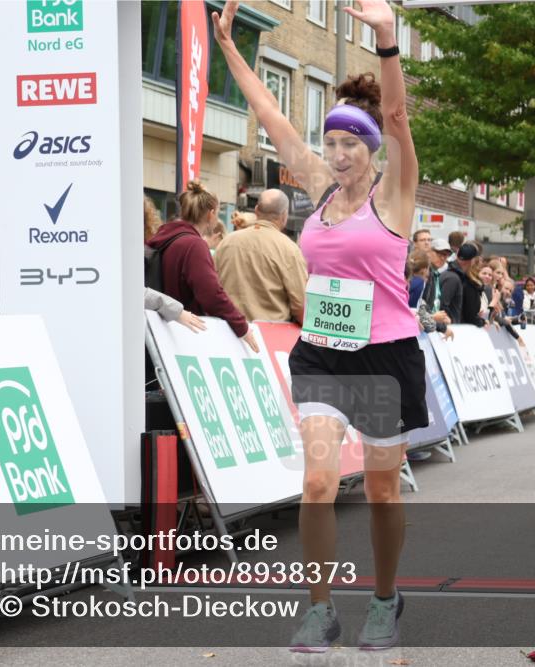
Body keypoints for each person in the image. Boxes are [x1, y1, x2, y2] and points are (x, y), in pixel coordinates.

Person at [214, 0, 422, 651]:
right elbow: (272, 119)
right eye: (328, 142)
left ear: (370, 149)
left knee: (384, 489)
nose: (335, 153)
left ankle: (386, 600)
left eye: (347, 144)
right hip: (323, 356)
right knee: (316, 480)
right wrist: (230, 51)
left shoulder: (396, 194)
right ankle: (320, 607)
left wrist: (387, 39)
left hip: (386, 356)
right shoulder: (322, 192)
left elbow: (395, 115)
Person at [146, 180, 258, 352]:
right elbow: (211, 294)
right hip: (183, 336)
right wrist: (241, 327)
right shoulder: (194, 245)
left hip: (160, 330)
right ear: (211, 214)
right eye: (218, 212)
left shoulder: (165, 237)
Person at [214, 188, 308, 324]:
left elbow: (212, 287)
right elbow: (301, 307)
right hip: (271, 336)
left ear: (256, 210)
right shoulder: (289, 250)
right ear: (284, 216)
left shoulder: (226, 242)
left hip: (228, 331)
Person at [423, 238, 462, 329]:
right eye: (439, 253)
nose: (443, 258)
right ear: (429, 252)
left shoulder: (435, 274)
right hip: (424, 328)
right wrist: (435, 320)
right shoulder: (424, 273)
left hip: (431, 326)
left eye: (446, 255)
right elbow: (419, 306)